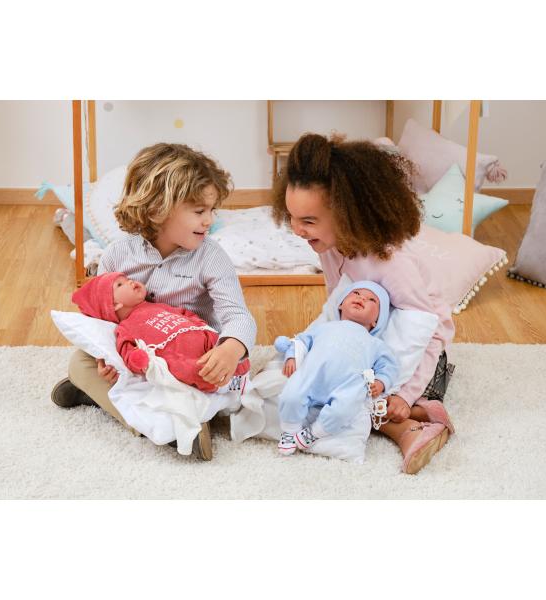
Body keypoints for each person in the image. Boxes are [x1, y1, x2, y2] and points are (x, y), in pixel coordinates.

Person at [51, 143, 257, 460]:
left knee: (211, 387)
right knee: (81, 363)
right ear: (159, 209)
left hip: (188, 362)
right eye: (199, 211)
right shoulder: (118, 254)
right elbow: (102, 318)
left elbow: (238, 316)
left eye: (212, 210)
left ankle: (100, 397)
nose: (209, 220)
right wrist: (105, 356)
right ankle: (167, 429)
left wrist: (230, 350)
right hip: (138, 357)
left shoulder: (211, 257)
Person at [272, 132, 456, 474]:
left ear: (346, 214)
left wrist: (403, 395)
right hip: (367, 339)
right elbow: (337, 312)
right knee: (307, 386)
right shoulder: (330, 246)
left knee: (357, 401)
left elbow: (426, 333)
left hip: (420, 353)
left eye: (308, 221)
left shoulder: (392, 262)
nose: (297, 229)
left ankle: (415, 424)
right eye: (292, 217)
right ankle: (416, 413)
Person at [274, 280, 398, 456]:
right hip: (312, 376)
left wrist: (381, 382)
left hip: (347, 386)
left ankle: (314, 433)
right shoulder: (324, 328)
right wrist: (292, 355)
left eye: (372, 300)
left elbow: (389, 366)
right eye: (356, 293)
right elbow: (301, 340)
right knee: (291, 395)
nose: (362, 298)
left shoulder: (375, 344)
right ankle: (289, 431)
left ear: (376, 320)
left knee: (344, 410)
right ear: (341, 304)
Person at [71, 271, 250, 393]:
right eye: (120, 284)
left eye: (127, 279)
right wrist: (137, 359)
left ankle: (237, 380)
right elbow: (126, 350)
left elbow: (183, 313)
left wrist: (199, 324)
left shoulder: (158, 306)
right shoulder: (125, 327)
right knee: (181, 368)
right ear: (114, 305)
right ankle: (220, 387)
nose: (130, 281)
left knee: (222, 347)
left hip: (196, 333)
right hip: (176, 354)